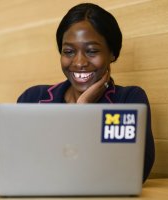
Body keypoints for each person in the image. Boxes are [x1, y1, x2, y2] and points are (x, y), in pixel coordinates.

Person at [17, 3, 155, 182]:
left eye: (92, 51)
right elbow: (21, 167)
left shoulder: (128, 100)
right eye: (69, 51)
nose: (79, 62)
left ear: (112, 53)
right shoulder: (33, 99)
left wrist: (83, 111)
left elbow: (134, 173)